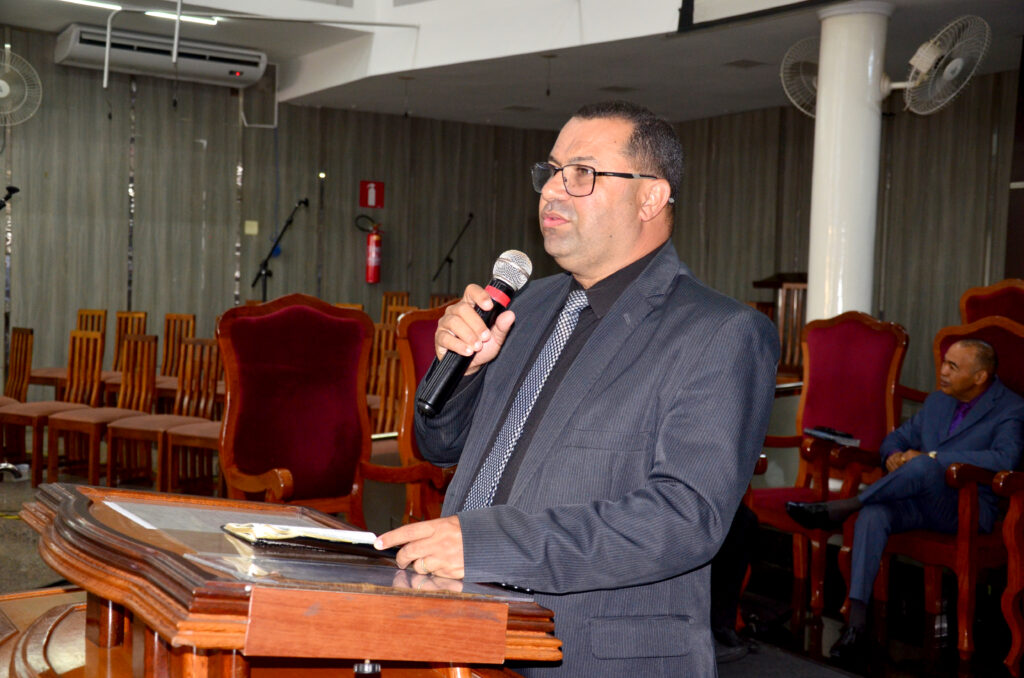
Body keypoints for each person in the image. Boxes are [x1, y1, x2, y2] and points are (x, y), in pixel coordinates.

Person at [375, 100, 779, 676]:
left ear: (651, 197)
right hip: (460, 629)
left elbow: (685, 518)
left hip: (591, 652)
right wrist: (461, 376)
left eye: (582, 173)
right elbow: (439, 446)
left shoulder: (718, 332)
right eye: (550, 171)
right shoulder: (527, 305)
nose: (551, 191)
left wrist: (487, 545)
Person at [786, 339, 1024, 661]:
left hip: (965, 509)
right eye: (944, 362)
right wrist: (893, 455)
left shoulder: (1010, 407)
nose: (942, 371)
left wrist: (934, 457)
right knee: (874, 515)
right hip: (919, 501)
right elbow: (896, 438)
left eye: (953, 366)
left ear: (980, 376)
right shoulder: (938, 401)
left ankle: (844, 507)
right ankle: (856, 625)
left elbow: (1004, 459)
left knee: (924, 464)